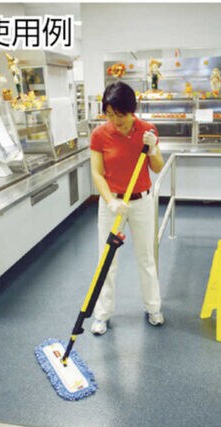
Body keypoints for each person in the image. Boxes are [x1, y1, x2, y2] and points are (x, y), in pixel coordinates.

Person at [89, 81, 165, 335]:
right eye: (109, 115)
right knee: (107, 260)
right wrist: (110, 201)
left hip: (141, 201)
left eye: (120, 115)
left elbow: (157, 168)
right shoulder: (99, 135)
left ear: (131, 110)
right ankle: (102, 314)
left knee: (146, 257)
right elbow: (97, 173)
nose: (115, 121)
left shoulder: (147, 130)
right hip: (112, 203)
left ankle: (153, 307)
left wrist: (152, 149)